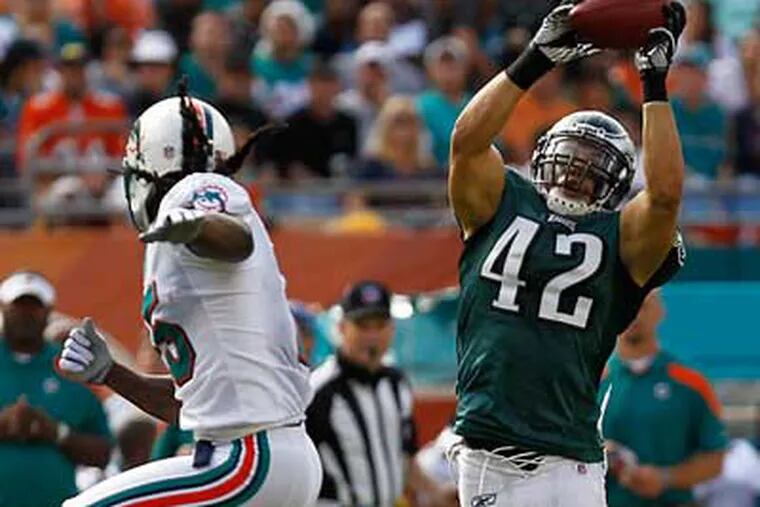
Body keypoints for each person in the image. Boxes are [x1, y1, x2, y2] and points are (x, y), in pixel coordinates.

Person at [447, 2, 689, 506]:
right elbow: (467, 142)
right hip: (493, 454)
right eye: (571, 158)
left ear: (616, 184)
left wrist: (653, 82)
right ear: (544, 156)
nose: (577, 173)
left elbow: (666, 194)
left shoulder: (622, 235)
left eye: (593, 166)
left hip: (573, 456)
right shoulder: (502, 200)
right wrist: (536, 57)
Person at [55, 86, 322, 505]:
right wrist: (111, 374)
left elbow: (235, 238)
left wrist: (197, 225)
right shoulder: (205, 276)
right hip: (268, 452)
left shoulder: (195, 190)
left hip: (248, 457)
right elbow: (196, 406)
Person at [306, 280, 455, 506]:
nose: (372, 335)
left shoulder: (396, 384)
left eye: (379, 325)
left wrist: (437, 493)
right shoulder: (319, 389)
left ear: (392, 329)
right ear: (342, 328)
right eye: (363, 325)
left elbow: (405, 460)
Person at [601, 290, 727, 507]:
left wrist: (666, 478)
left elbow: (716, 457)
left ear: (660, 311)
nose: (633, 314)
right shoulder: (591, 381)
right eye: (624, 305)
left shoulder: (691, 381)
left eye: (643, 305)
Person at [0, 271, 112, 507]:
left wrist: (56, 432)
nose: (26, 314)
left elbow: (103, 453)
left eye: (34, 307)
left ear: (49, 311)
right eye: (18, 306)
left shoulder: (70, 368)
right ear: (3, 308)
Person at [416, 35, 473, 169]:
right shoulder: (419, 107)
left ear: (465, 69)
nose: (448, 73)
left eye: (453, 66)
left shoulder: (477, 104)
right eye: (442, 67)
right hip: (431, 176)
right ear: (430, 71)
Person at [354, 95, 436, 180]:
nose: (405, 129)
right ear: (385, 127)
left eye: (410, 122)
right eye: (399, 122)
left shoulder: (426, 167)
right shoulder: (370, 168)